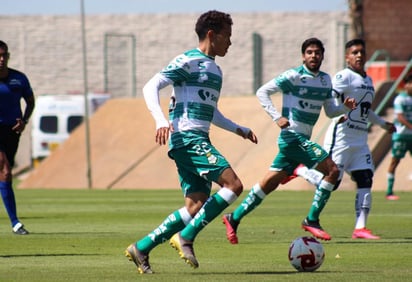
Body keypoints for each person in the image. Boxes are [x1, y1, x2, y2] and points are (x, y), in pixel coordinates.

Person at [124, 10, 258, 274]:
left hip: (197, 137)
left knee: (196, 205)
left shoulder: (215, 70)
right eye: (227, 36)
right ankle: (186, 237)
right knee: (233, 185)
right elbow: (150, 86)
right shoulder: (188, 60)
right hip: (186, 137)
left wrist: (237, 128)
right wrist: (161, 120)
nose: (230, 42)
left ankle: (141, 248)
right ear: (212, 34)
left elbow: (211, 111)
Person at [222, 37, 356, 244]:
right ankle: (311, 219)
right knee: (333, 171)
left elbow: (330, 111)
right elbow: (262, 92)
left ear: (322, 56)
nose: (313, 56)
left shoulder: (325, 80)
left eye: (317, 53)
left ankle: (234, 217)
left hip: (300, 140)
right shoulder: (293, 75)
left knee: (268, 184)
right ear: (303, 56)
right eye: (309, 52)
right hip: (292, 137)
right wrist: (277, 117)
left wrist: (345, 107)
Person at [287, 39, 396, 239]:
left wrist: (383, 124)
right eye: (354, 52)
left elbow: (366, 111)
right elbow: (331, 99)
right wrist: (341, 110)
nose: (359, 55)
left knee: (366, 179)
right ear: (347, 57)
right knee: (332, 181)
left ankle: (360, 228)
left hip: (360, 140)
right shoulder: (343, 77)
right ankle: (301, 169)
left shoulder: (368, 81)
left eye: (362, 52)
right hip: (341, 138)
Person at [0, 40, 35, 235]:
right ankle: (15, 222)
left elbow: (30, 101)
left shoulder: (19, 79)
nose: (2, 59)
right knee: (5, 170)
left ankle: (14, 221)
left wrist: (24, 120)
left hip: (12, 132)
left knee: (5, 175)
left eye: (4, 55)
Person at [386, 73, 412, 200]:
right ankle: (389, 191)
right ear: (406, 85)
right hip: (401, 136)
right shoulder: (400, 99)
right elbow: (400, 117)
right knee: (394, 162)